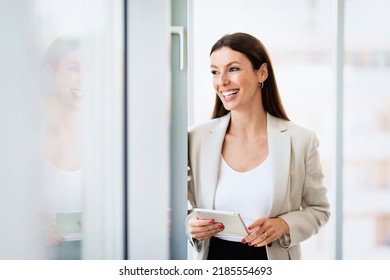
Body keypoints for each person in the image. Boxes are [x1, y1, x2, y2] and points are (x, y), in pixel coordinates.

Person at [186, 32, 330, 260]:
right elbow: (173, 208)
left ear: (261, 73)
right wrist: (190, 225)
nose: (221, 81)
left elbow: (319, 210)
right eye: (215, 71)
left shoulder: (300, 140)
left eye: (232, 69)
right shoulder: (196, 139)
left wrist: (284, 225)